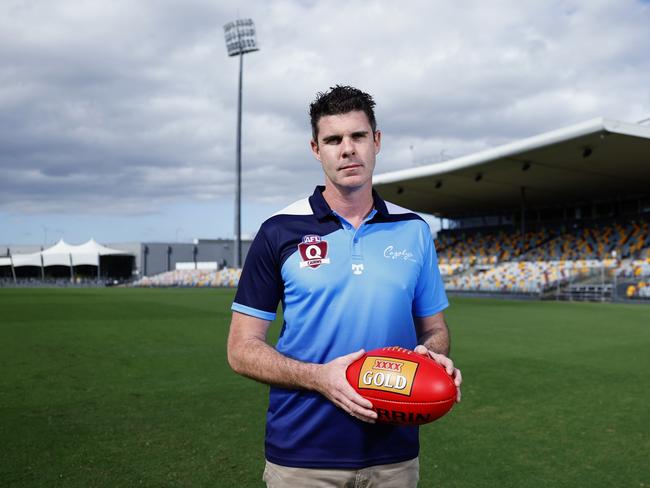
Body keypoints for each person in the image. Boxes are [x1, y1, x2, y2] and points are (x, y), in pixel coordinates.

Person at [228, 85, 462, 487]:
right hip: (302, 454)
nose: (347, 149)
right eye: (333, 139)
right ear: (316, 149)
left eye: (357, 136)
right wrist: (319, 377)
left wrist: (432, 357)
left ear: (377, 141)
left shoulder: (413, 230)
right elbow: (241, 349)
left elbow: (435, 330)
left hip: (394, 454)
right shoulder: (279, 230)